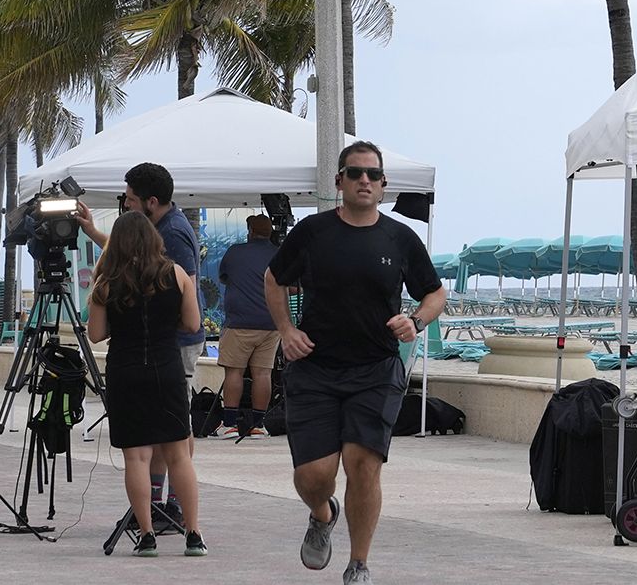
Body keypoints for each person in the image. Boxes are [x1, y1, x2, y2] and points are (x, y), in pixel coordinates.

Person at [264, 141, 446, 585]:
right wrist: (286, 330)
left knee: (362, 464)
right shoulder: (312, 232)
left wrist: (416, 321)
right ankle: (322, 513)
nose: (364, 180)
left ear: (383, 185)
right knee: (314, 476)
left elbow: (434, 292)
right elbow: (273, 278)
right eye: (355, 173)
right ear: (339, 181)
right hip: (315, 369)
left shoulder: (400, 238)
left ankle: (358, 564)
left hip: (376, 369)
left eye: (373, 174)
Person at [77, 162, 202, 516]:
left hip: (164, 349)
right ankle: (167, 507)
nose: (126, 205)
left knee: (170, 436)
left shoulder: (173, 233)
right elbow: (137, 258)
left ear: (151, 201)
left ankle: (164, 507)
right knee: (169, 436)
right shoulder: (159, 233)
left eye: (130, 199)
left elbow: (179, 289)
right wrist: (94, 232)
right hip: (163, 350)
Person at [87, 211, 208, 558]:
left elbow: (95, 334)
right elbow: (193, 324)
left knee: (137, 458)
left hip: (125, 372)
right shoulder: (177, 274)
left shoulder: (106, 283)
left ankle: (147, 535)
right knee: (179, 455)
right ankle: (193, 534)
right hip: (166, 368)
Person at [216, 214, 281, 436]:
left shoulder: (235, 252)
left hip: (239, 322)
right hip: (271, 323)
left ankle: (230, 424)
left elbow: (224, 277)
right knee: (263, 373)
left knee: (234, 372)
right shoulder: (278, 254)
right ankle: (258, 426)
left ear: (250, 231)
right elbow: (291, 286)